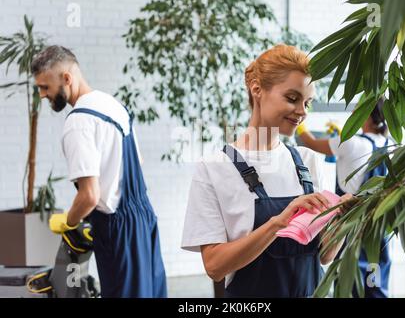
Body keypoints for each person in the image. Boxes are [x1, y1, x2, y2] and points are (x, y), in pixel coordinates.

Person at [181, 44, 352, 298]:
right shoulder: (214, 168)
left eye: (307, 102)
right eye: (292, 98)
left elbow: (324, 256)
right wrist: (278, 223)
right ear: (257, 90)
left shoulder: (308, 162)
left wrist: (344, 219)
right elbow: (215, 267)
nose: (302, 111)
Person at [31, 45, 167, 298]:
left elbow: (90, 195)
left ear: (67, 79)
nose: (41, 94)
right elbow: (136, 163)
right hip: (144, 217)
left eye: (45, 87)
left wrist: (68, 221)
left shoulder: (78, 123)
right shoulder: (113, 105)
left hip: (117, 229)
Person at [297, 98, 392, 298]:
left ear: (366, 115)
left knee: (349, 283)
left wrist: (300, 126)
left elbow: (311, 143)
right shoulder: (390, 144)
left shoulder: (350, 142)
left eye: (356, 110)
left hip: (349, 227)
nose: (352, 115)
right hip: (378, 227)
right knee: (375, 282)